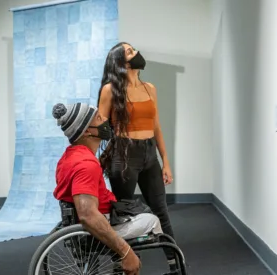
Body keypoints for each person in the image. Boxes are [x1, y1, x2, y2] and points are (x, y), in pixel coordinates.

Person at [51, 102, 162, 275]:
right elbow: (88, 215)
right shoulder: (86, 165)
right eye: (98, 117)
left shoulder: (68, 157)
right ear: (87, 130)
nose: (104, 119)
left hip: (79, 223)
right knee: (152, 220)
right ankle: (126, 260)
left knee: (132, 208)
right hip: (96, 227)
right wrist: (125, 251)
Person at [96, 42, 177, 272]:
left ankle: (175, 263)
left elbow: (157, 126)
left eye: (133, 49)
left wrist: (166, 162)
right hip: (124, 155)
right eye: (130, 52)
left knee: (161, 211)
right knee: (125, 218)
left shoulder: (150, 87)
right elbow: (100, 125)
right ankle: (126, 266)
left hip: (149, 155)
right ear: (121, 63)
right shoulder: (111, 90)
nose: (136, 53)